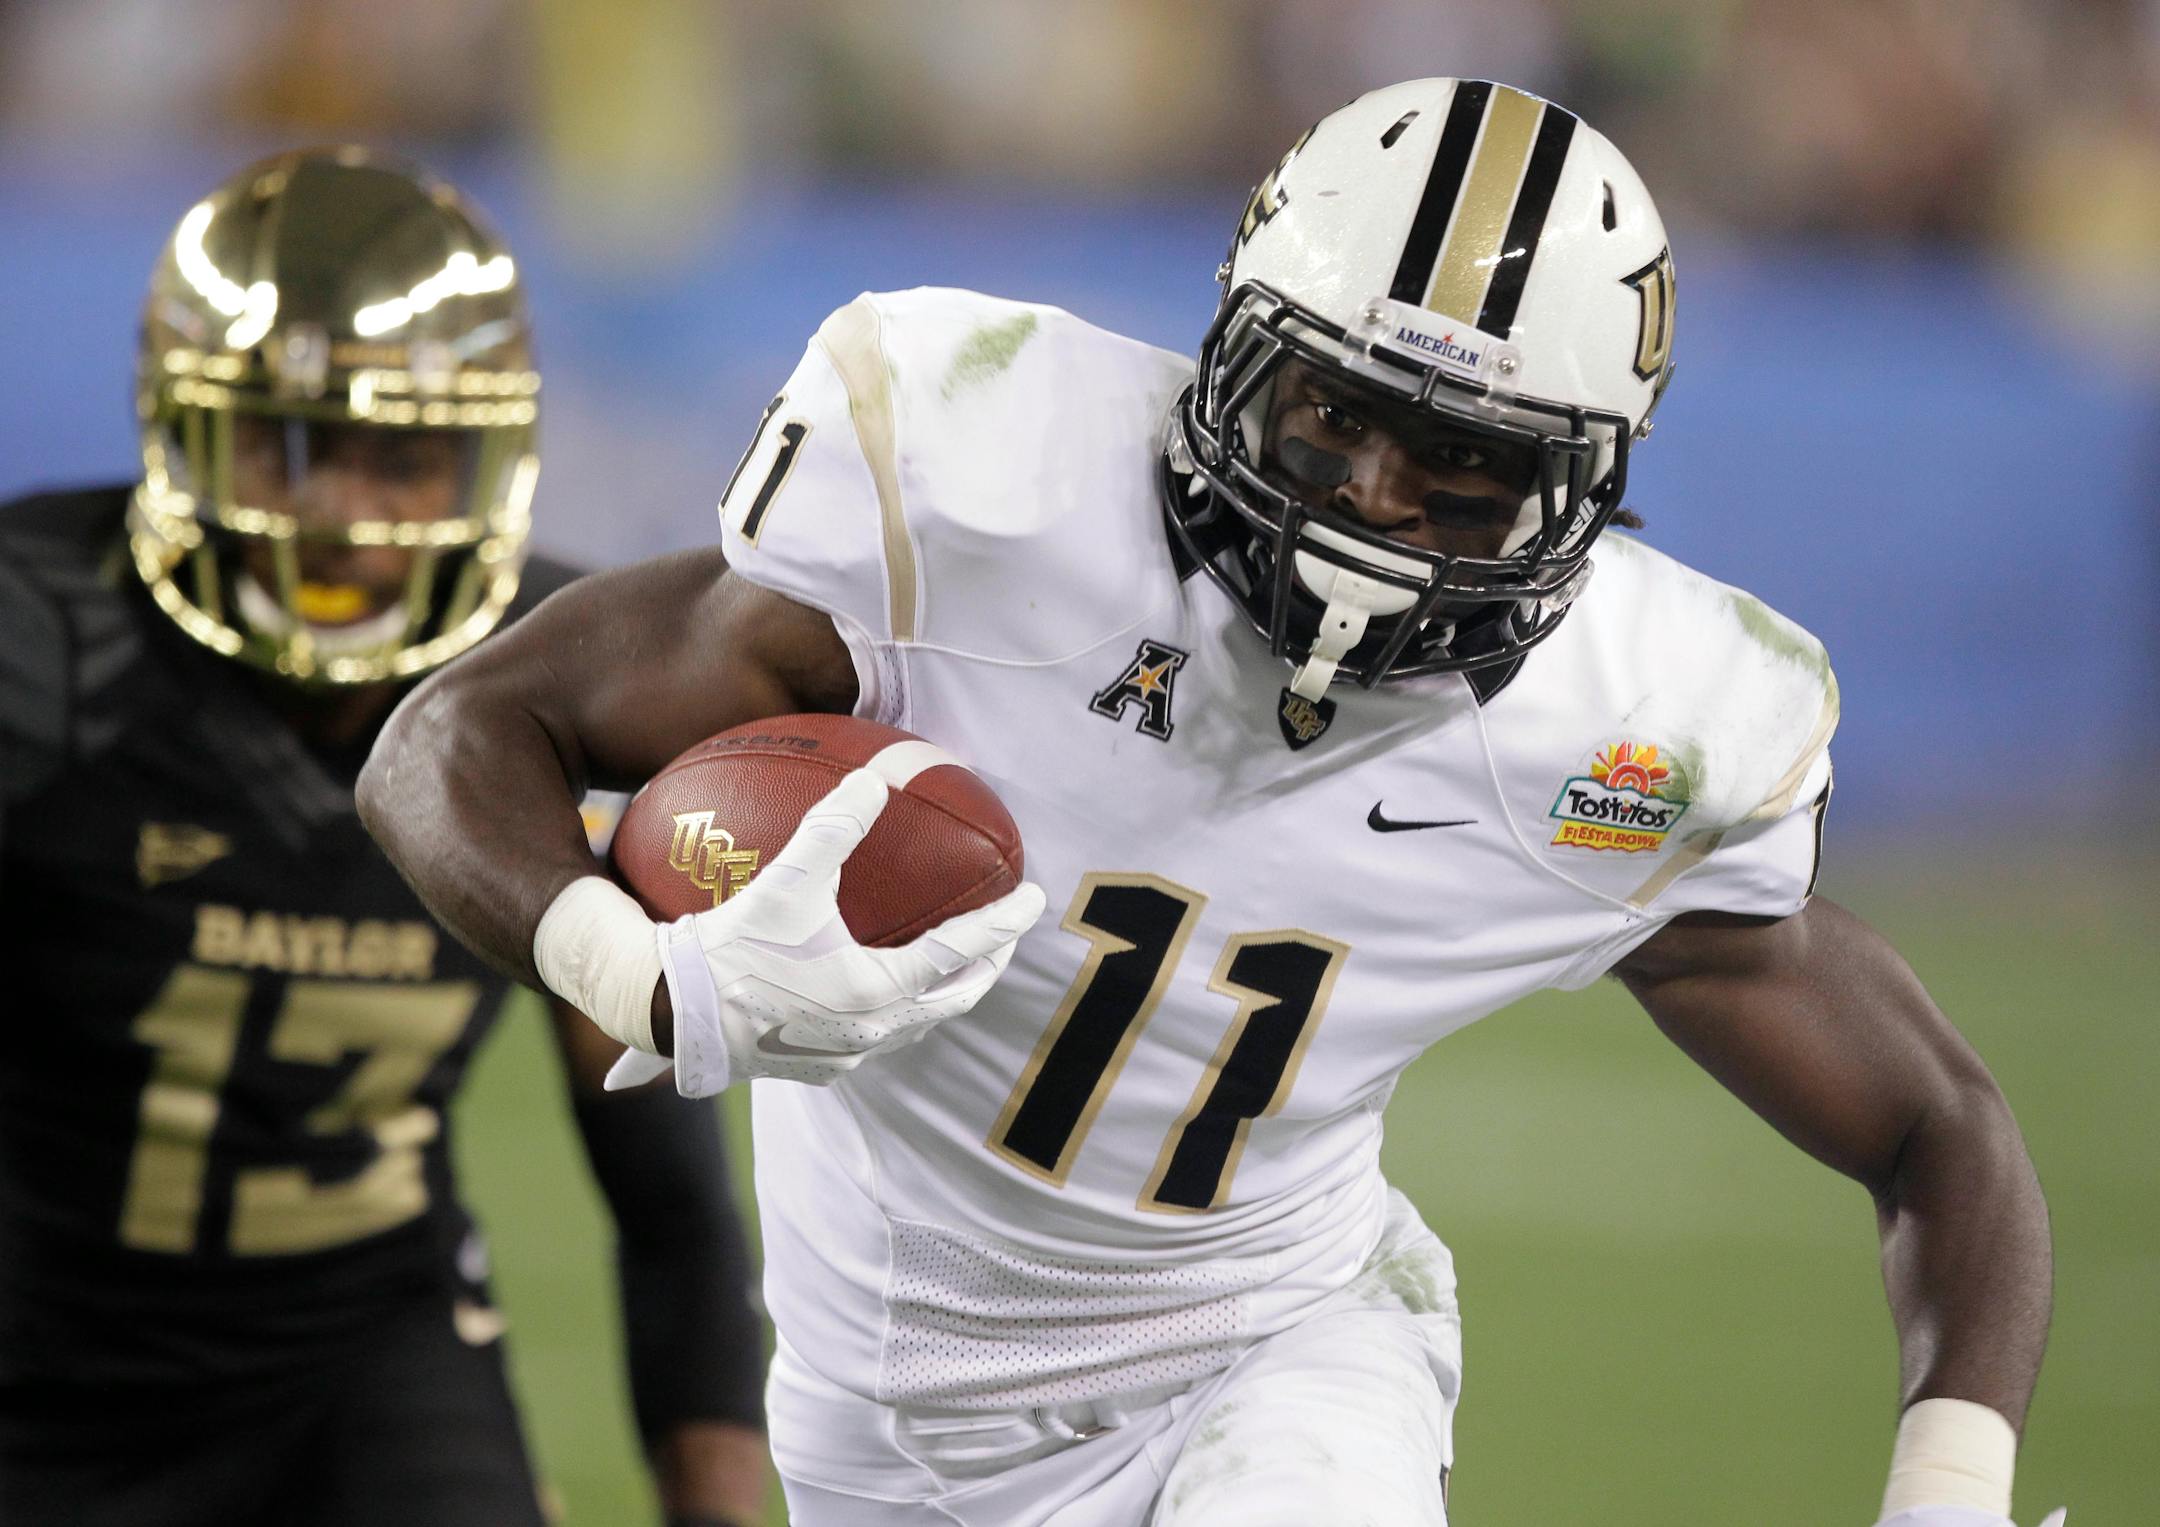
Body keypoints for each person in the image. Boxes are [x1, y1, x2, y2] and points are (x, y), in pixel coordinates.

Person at [358, 80, 2059, 1527]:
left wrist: (1950, 1492)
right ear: (1234, 355)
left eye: (1461, 462)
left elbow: (1936, 1125)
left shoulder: (1626, 739)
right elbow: (455, 736)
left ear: (1581, 488)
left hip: (1278, 1350)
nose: (1372, 504)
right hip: (875, 1414)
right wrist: (638, 975)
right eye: (1333, 415)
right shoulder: (979, 499)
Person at [0, 148, 769, 1527]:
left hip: (363, 1357)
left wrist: (712, 1497)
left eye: (405, 454)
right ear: (181, 434)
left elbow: (665, 1188)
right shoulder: (38, 644)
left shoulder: (566, 684)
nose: (346, 514)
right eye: (292, 446)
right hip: (39, 1356)